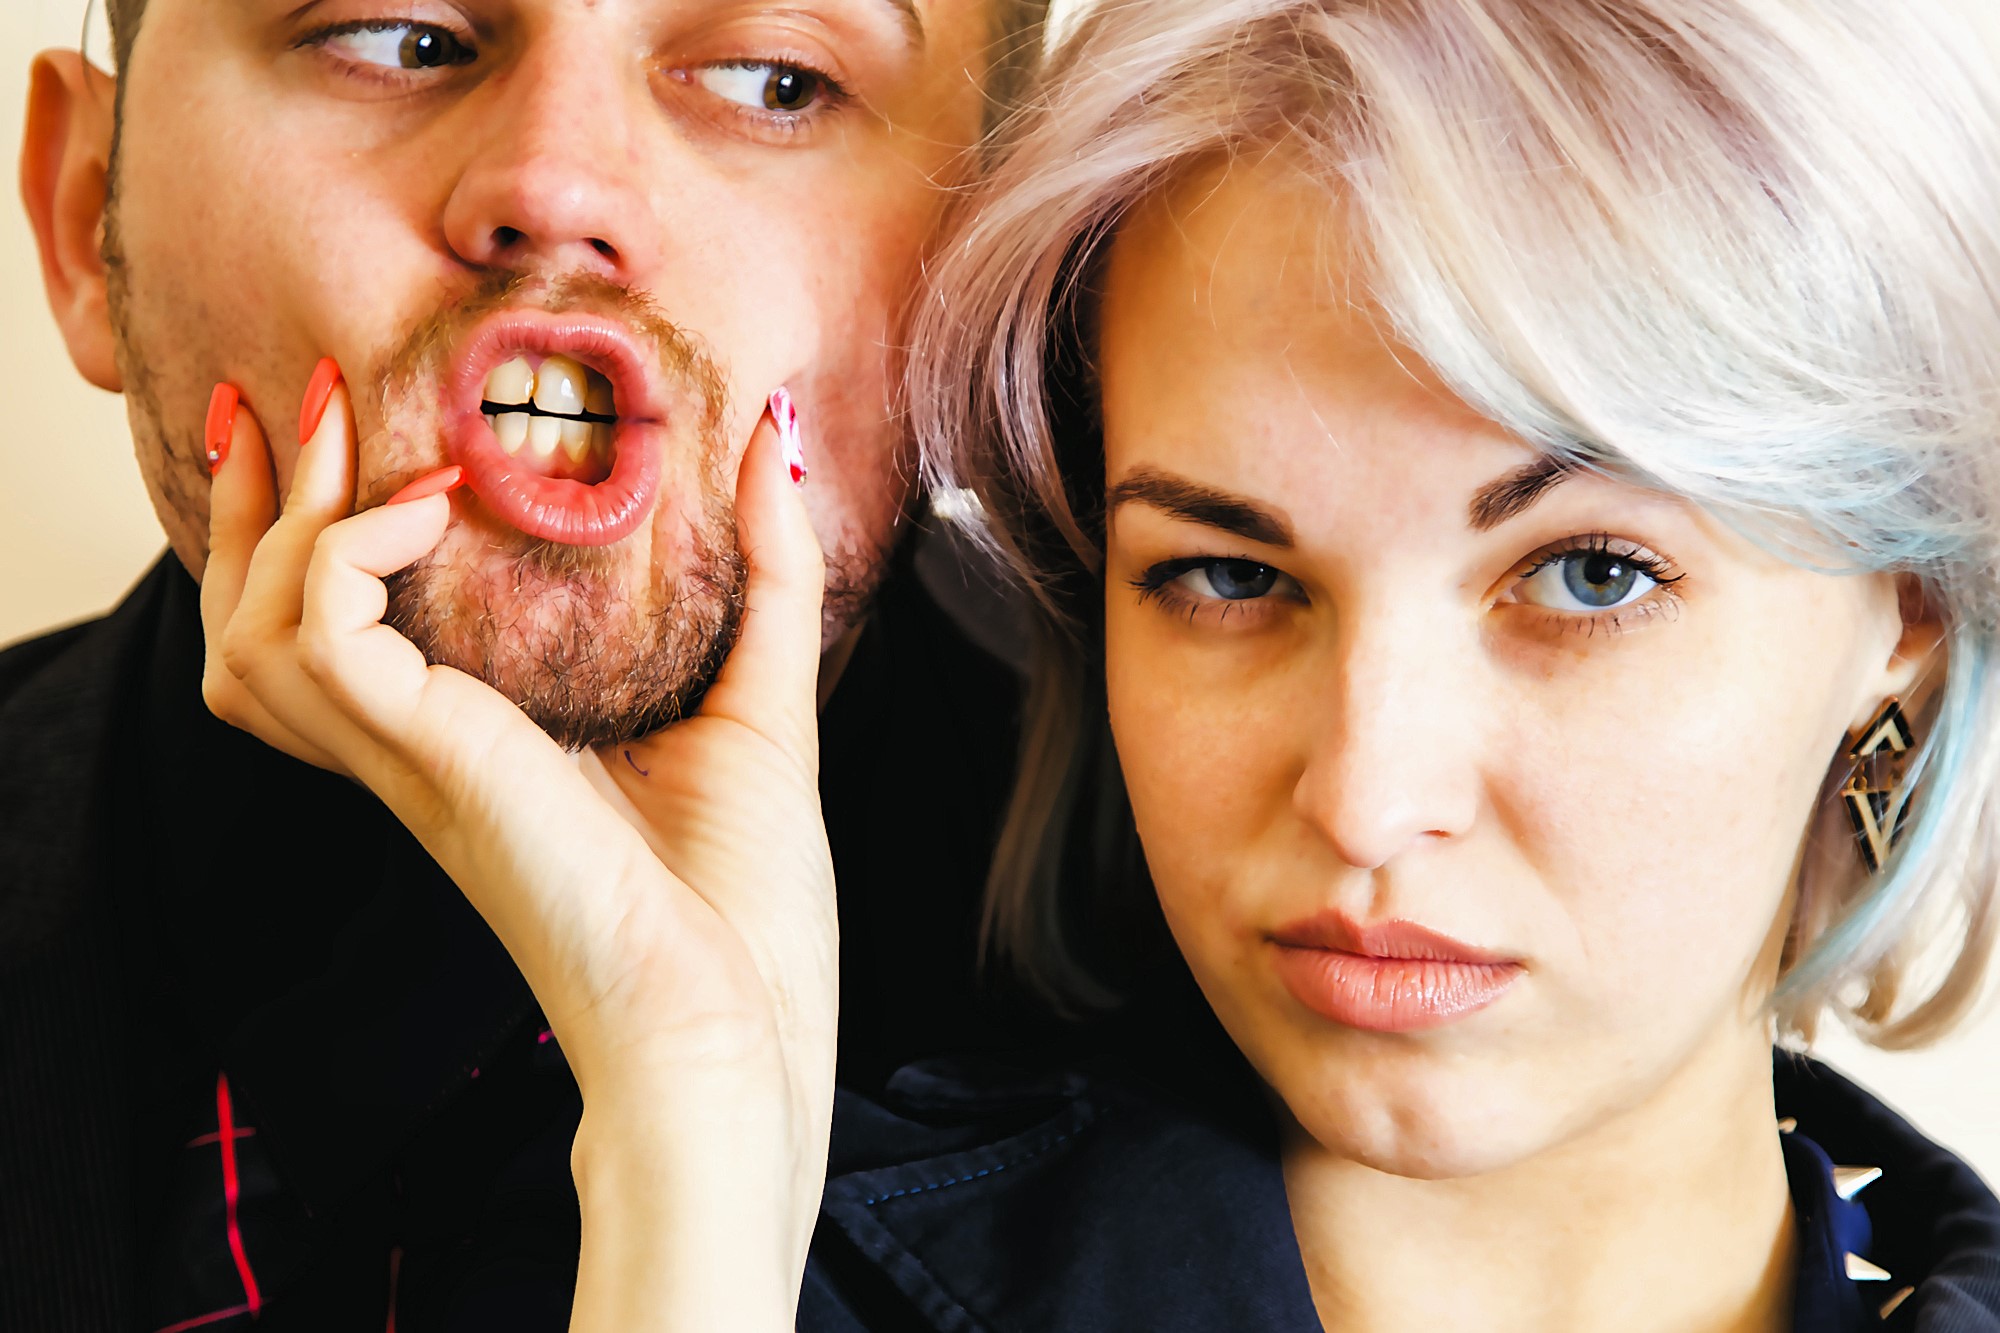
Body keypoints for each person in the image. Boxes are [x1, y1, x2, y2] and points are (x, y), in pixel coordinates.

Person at [156, 0, 2000, 1330]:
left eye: (1588, 574)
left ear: (1901, 613)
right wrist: (697, 1166)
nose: (1366, 792)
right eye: (1223, 573)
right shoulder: (677, 1251)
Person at [1, 1, 1054, 1329]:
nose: (558, 189)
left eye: (775, 77)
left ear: (1003, 285)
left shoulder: (1246, 1042)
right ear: (86, 217)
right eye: (395, 35)